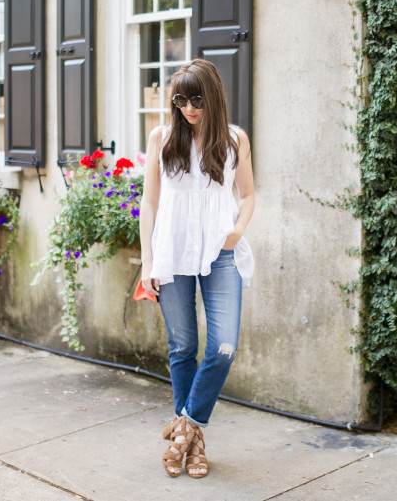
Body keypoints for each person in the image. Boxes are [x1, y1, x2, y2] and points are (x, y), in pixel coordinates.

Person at [139, 58, 255, 479]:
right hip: (171, 253)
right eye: (181, 100)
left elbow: (247, 196)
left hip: (220, 254)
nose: (189, 108)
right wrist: (147, 261)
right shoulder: (162, 137)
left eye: (197, 100)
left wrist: (237, 232)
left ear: (214, 97)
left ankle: (183, 427)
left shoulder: (234, 139)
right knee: (182, 347)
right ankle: (194, 443)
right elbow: (149, 203)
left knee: (223, 346)